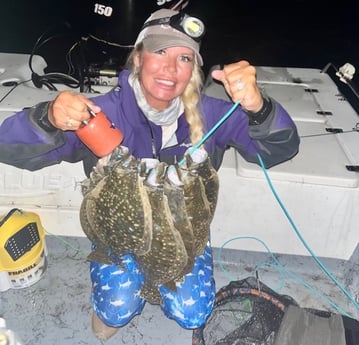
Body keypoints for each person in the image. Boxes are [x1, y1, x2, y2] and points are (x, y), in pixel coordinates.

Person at [0, 8, 300, 341]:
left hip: (183, 233)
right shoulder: (98, 114)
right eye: (160, 52)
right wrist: (48, 119)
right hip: (118, 233)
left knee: (192, 314)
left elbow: (279, 150)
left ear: (194, 69)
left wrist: (260, 108)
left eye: (184, 58)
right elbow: (8, 148)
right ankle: (121, 304)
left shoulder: (215, 115)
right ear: (139, 58)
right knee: (116, 308)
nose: (171, 68)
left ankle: (157, 288)